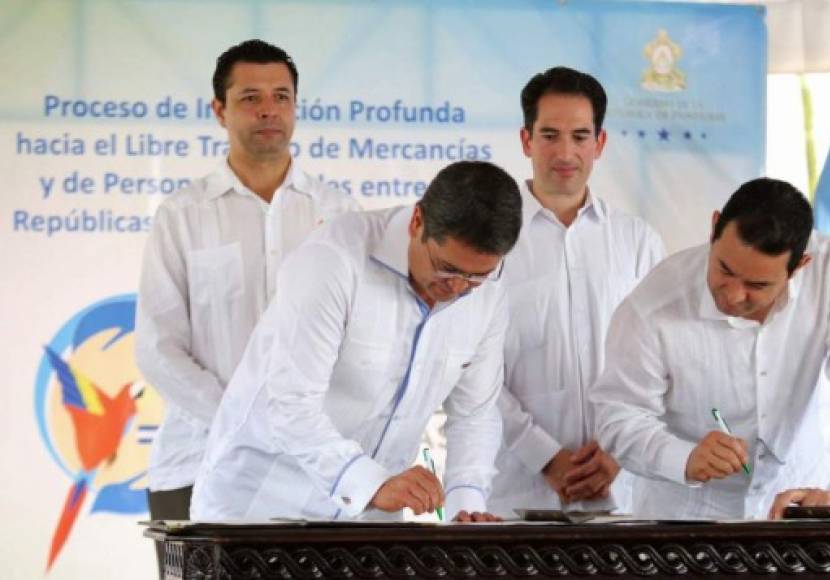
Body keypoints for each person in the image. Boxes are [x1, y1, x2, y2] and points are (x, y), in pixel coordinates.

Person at [190, 160, 521, 522]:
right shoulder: (332, 259)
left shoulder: (487, 293)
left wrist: (466, 506)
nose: (458, 289)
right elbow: (290, 404)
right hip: (260, 507)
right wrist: (372, 484)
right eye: (447, 269)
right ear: (417, 223)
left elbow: (475, 413)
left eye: (477, 277)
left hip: (370, 519)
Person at [135, 39, 358, 531]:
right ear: (220, 110)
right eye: (250, 97)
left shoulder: (339, 214)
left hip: (316, 471)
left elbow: (360, 339)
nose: (268, 110)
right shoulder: (182, 215)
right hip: (199, 461)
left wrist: (301, 430)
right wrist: (242, 420)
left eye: (281, 96)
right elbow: (158, 347)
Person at [591, 178, 830, 520]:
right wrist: (683, 457)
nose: (733, 295)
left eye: (757, 285)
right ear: (713, 227)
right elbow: (617, 417)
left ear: (799, 266)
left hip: (800, 506)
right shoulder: (653, 303)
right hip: (684, 521)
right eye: (725, 269)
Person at [487, 67, 665, 518]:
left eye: (580, 136)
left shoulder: (638, 241)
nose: (565, 152)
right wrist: (544, 456)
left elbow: (664, 363)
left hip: (626, 493)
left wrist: (620, 451)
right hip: (516, 493)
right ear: (526, 141)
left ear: (599, 144)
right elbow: (469, 363)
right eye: (550, 135)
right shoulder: (488, 240)